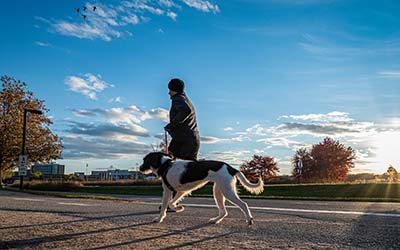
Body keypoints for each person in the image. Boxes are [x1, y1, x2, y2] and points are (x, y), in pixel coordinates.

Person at [164, 78, 200, 161]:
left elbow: (186, 110)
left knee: (173, 166)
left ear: (174, 89)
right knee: (189, 168)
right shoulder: (184, 99)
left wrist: (172, 125)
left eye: (170, 90)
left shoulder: (178, 98)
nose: (169, 93)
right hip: (190, 139)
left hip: (184, 140)